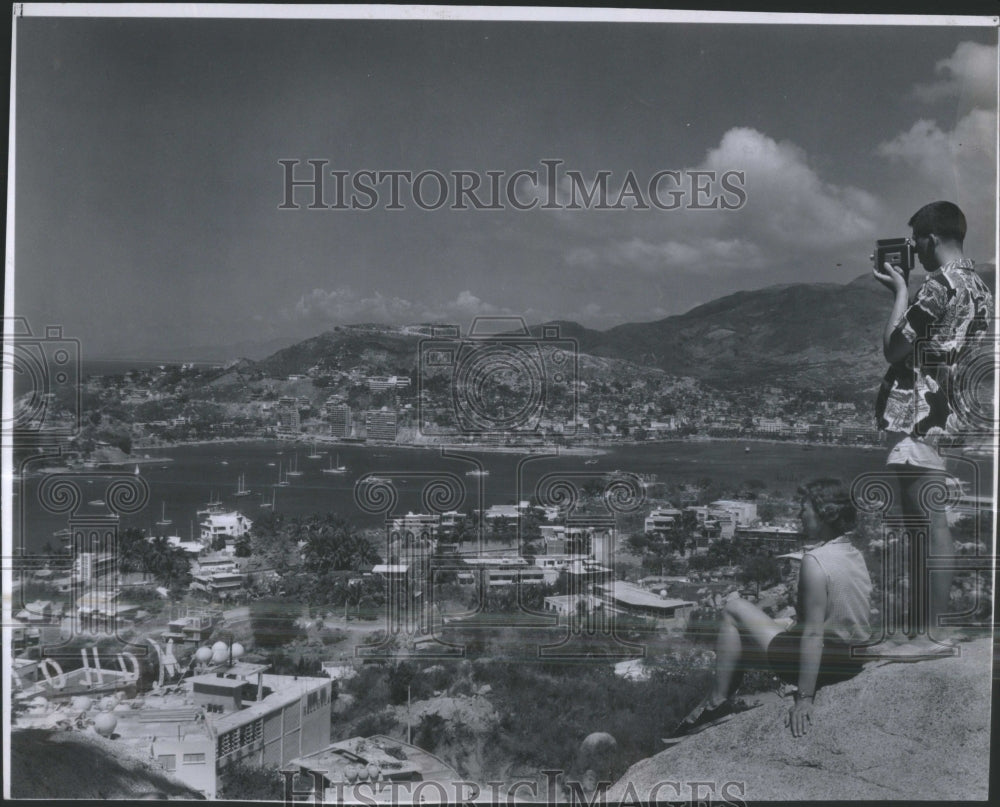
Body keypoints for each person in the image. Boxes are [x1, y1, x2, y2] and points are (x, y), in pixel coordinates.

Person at [872, 201, 993, 657]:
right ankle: (921, 630)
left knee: (923, 522)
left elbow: (893, 349)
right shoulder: (980, 287)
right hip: (947, 410)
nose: (915, 251)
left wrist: (900, 291)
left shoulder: (938, 285)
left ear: (931, 238)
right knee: (920, 521)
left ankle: (929, 634)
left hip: (918, 413)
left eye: (917, 242)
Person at [672, 479, 872, 739]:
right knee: (761, 631)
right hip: (852, 660)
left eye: (805, 508)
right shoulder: (854, 553)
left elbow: (813, 635)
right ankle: (717, 700)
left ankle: (716, 704)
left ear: (825, 514)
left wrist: (805, 697)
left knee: (734, 609)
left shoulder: (815, 560)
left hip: (826, 664)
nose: (799, 514)